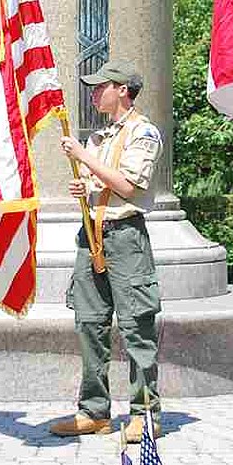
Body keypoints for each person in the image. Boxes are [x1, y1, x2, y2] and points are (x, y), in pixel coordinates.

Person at [51, 59, 163, 443]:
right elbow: (99, 183)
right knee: (89, 325)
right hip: (91, 235)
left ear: (124, 90)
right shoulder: (100, 137)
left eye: (103, 86)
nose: (95, 92)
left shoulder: (142, 132)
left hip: (126, 237)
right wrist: (85, 187)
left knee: (136, 326)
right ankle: (94, 411)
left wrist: (84, 159)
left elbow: (129, 187)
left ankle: (145, 414)